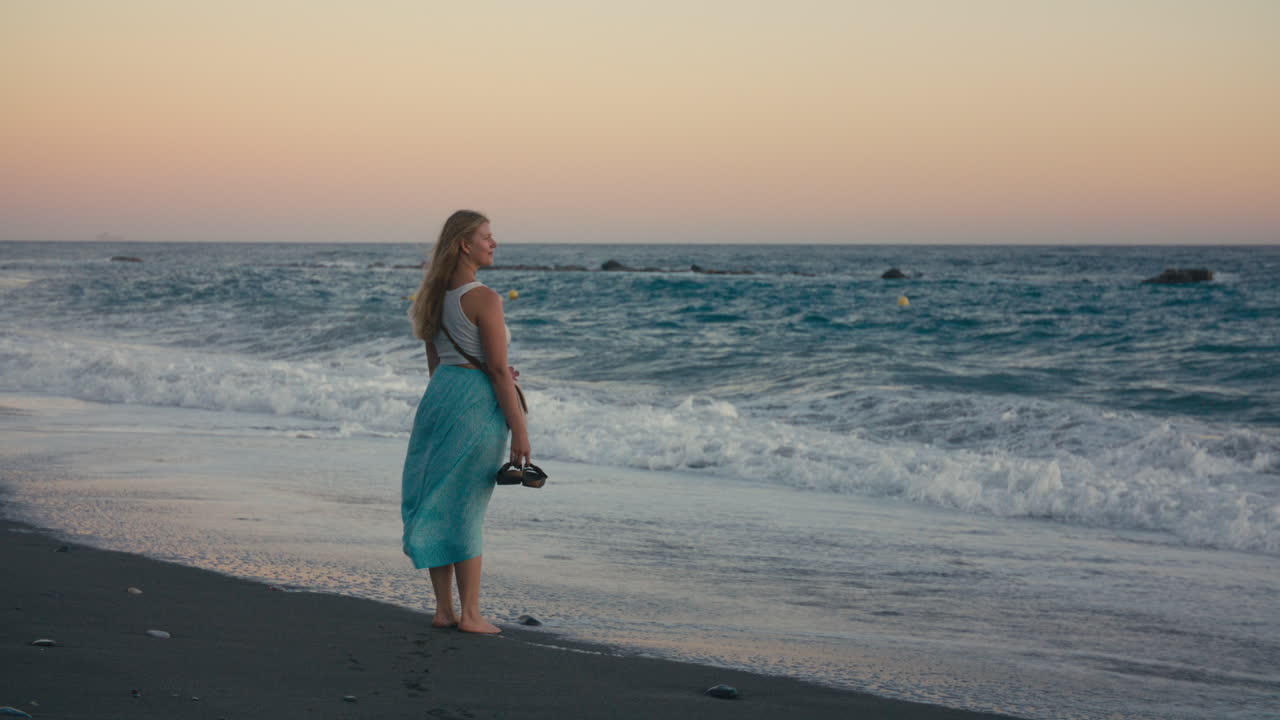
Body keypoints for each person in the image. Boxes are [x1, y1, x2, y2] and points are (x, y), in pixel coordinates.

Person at [402, 210, 530, 635]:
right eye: (487, 237)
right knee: (469, 508)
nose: (494, 244)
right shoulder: (485, 298)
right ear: (464, 244)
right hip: (476, 404)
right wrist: (521, 430)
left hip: (440, 401)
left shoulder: (431, 298)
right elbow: (497, 371)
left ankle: (444, 610)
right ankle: (471, 615)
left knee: (438, 500)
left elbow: (436, 365)